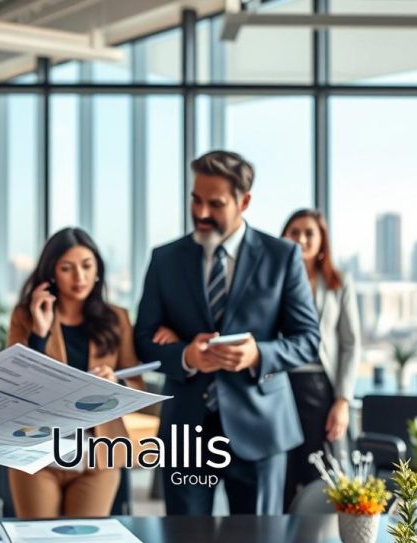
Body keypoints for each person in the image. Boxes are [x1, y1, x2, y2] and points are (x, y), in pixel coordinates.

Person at [134, 150, 321, 516]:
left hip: (260, 425)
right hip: (186, 428)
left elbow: (308, 340)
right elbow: (142, 339)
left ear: (244, 201)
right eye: (196, 199)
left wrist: (259, 355)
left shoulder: (281, 256)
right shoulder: (165, 259)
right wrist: (187, 355)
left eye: (215, 204)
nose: (201, 213)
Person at [6, 227, 145, 518]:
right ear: (52, 273)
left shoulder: (116, 317)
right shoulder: (25, 315)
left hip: (97, 454)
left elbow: (137, 382)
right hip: (38, 450)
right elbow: (16, 382)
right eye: (67, 268)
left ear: (98, 270)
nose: (79, 277)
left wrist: (115, 380)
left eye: (86, 266)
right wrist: (39, 333)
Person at [279, 209, 361, 510]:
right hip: (283, 388)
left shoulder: (339, 283)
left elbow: (351, 345)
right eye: (294, 231)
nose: (301, 238)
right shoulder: (275, 281)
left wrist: (342, 400)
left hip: (321, 389)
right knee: (283, 480)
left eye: (309, 232)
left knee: (326, 479)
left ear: (322, 240)